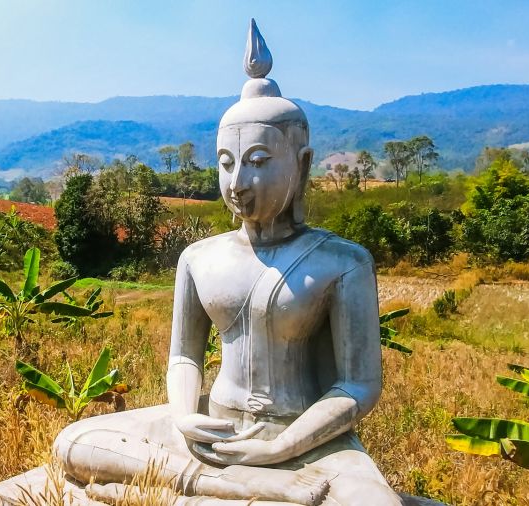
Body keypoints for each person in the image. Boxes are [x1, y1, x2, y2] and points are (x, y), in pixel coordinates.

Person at [52, 19, 402, 506]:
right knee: (73, 442)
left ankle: (236, 478)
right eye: (226, 162)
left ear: (300, 164)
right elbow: (183, 356)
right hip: (210, 430)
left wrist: (281, 446)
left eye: (258, 160)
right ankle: (224, 485)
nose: (238, 181)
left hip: (304, 438)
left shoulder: (341, 263)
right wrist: (184, 416)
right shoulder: (199, 258)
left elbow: (358, 385)